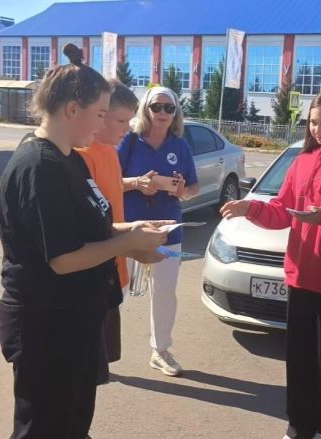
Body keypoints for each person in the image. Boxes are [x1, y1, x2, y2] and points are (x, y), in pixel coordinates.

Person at [0, 44, 169, 438]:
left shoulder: (70, 157)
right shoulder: (40, 166)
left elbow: (93, 227)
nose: (104, 124)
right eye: (101, 114)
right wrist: (127, 244)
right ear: (72, 109)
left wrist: (136, 231)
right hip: (46, 324)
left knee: (72, 424)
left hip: (73, 320)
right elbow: (63, 258)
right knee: (44, 427)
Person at [221, 90, 321, 439]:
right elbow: (281, 212)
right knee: (300, 360)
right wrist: (250, 208)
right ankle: (300, 424)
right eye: (313, 122)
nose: (318, 130)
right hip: (299, 277)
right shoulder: (303, 161)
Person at [118, 86, 200, 377]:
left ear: (176, 112)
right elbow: (110, 180)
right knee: (118, 290)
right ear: (146, 109)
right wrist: (136, 183)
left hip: (168, 231)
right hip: (129, 230)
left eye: (169, 108)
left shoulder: (180, 146)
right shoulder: (129, 140)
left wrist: (182, 191)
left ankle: (160, 350)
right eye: (157, 107)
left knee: (164, 292)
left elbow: (193, 187)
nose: (163, 113)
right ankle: (100, 348)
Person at [75, 79, 140, 363]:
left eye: (130, 121)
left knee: (104, 353)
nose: (127, 128)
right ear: (99, 115)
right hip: (97, 270)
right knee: (90, 357)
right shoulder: (82, 157)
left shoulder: (110, 150)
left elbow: (111, 189)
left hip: (115, 265)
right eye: (120, 120)